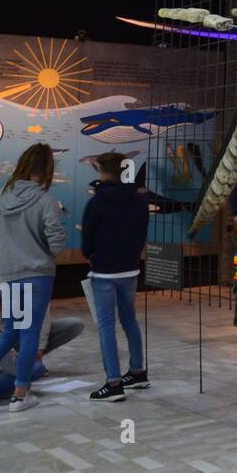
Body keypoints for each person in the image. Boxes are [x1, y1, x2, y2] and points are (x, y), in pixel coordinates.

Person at [0, 143, 66, 414]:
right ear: (48, 168)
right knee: (29, 336)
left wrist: (10, 253)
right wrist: (41, 250)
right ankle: (20, 395)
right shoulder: (46, 200)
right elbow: (56, 243)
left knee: (9, 334)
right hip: (37, 276)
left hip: (8, 275)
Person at [81, 152, 150, 402]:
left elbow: (87, 238)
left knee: (106, 325)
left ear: (100, 169)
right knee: (129, 320)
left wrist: (90, 254)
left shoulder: (97, 202)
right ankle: (137, 371)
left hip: (104, 271)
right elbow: (142, 233)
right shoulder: (140, 201)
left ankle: (113, 382)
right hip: (130, 269)